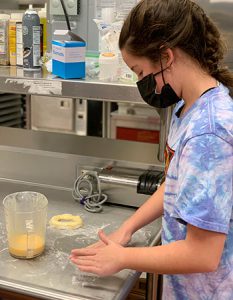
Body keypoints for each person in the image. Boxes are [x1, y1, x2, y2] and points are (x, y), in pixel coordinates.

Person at [70, 0, 233, 298]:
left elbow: (203, 254)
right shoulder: (187, 106)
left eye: (140, 71)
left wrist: (122, 258)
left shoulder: (209, 132)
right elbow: (173, 183)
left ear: (166, 56)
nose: (144, 84)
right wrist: (128, 228)